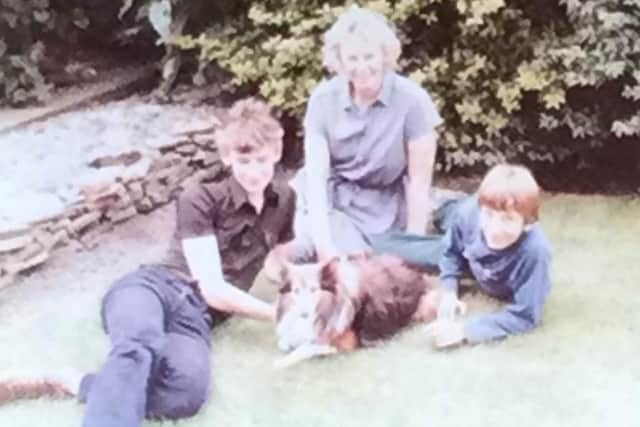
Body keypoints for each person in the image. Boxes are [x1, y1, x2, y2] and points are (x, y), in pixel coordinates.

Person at [73, 98, 295, 426]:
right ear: (227, 157)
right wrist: (276, 314)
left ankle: (78, 383)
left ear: (276, 153)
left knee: (186, 394)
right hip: (153, 289)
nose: (253, 171)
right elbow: (214, 289)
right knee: (138, 346)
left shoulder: (285, 199)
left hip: (196, 319)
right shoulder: (200, 197)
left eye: (261, 160)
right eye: (243, 160)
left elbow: (280, 267)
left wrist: (307, 296)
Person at [287, 5, 447, 265]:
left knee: (389, 260)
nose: (361, 67)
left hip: (386, 205)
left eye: (369, 56)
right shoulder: (322, 100)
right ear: (339, 61)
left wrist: (413, 248)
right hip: (334, 200)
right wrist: (324, 243)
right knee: (324, 248)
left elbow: (419, 182)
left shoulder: (413, 100)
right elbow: (316, 177)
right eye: (352, 58)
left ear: (384, 56)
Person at [425, 164, 553, 348]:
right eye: (489, 214)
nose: (495, 229)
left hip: (475, 260)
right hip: (459, 217)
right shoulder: (469, 214)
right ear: (481, 209)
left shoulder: (535, 252)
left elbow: (527, 315)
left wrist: (465, 330)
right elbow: (450, 252)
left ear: (528, 224)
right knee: (433, 226)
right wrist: (449, 291)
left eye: (508, 219)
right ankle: (441, 203)